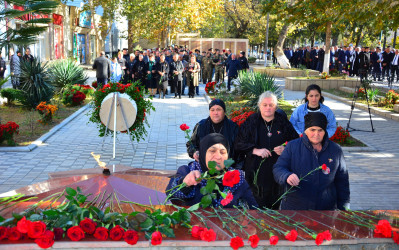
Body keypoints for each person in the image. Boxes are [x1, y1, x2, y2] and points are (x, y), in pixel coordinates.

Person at [273, 112, 350, 210]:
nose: (316, 134)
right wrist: (286, 176)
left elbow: (342, 181)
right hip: (295, 208)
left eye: (320, 130)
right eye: (312, 130)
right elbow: (278, 168)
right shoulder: (292, 146)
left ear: (325, 131)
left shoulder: (335, 150)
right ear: (305, 131)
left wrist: (344, 208)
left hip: (326, 210)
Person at [234, 92, 298, 209]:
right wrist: (254, 150)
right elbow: (238, 143)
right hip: (256, 172)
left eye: (271, 105)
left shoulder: (282, 122)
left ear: (276, 107)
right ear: (259, 106)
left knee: (274, 208)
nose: (268, 108)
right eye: (265, 105)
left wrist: (285, 149)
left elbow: (296, 143)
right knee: (256, 208)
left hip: (277, 173)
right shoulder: (251, 121)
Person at [167, 133, 258, 208]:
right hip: (195, 226)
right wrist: (185, 183)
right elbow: (171, 193)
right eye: (212, 151)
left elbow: (253, 207)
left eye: (222, 152)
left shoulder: (236, 177)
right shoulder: (188, 171)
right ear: (203, 153)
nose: (218, 156)